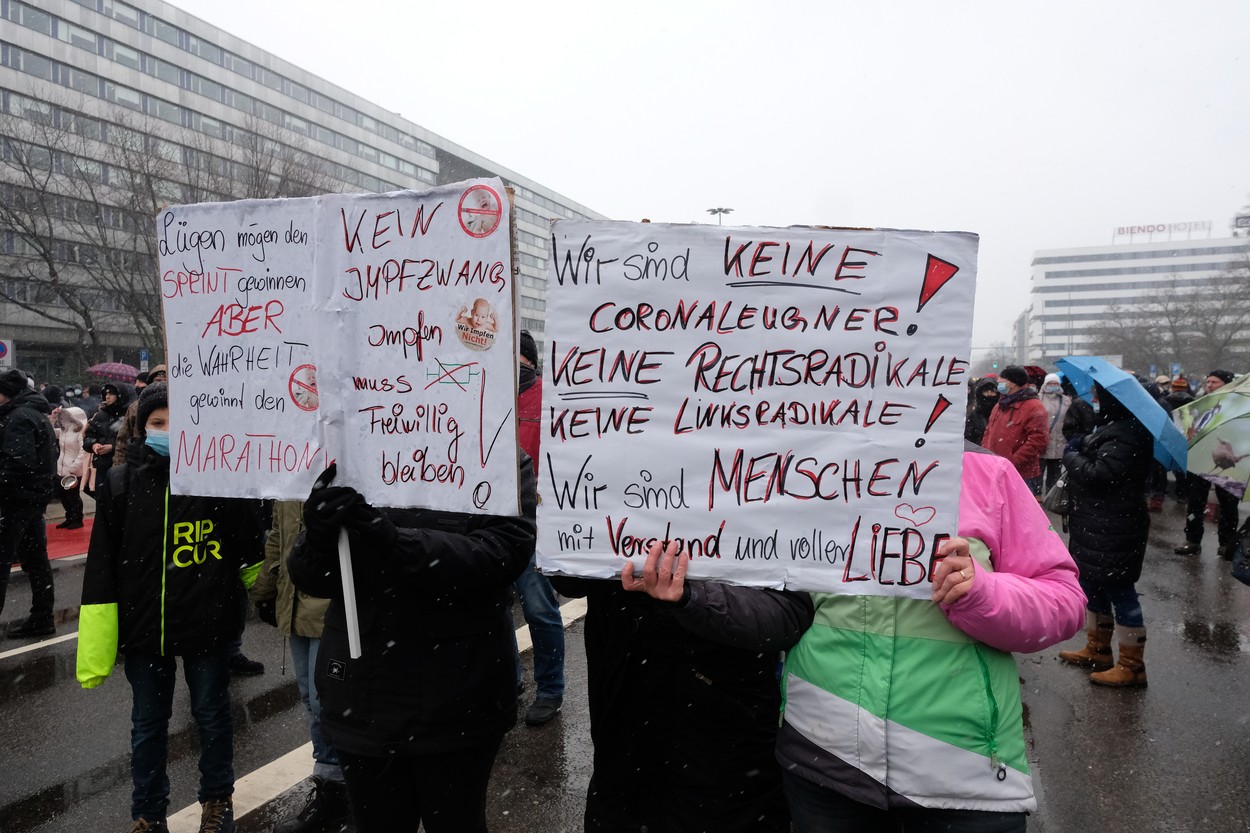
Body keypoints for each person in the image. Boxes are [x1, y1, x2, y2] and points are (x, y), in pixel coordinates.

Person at [777, 443, 1085, 831]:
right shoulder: (809, 465)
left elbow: (1065, 600)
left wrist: (983, 593)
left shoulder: (987, 473)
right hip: (822, 759)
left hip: (965, 773)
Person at [287, 455, 536, 833]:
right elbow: (313, 579)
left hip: (458, 698)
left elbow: (502, 552)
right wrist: (318, 537)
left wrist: (394, 540)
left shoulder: (493, 450)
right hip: (362, 698)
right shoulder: (351, 454)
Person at [76, 383, 266, 833]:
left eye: (175, 422)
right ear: (142, 428)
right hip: (146, 628)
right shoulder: (120, 482)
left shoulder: (218, 479)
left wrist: (262, 595)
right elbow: (102, 565)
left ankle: (217, 803)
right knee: (147, 724)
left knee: (213, 717)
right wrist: (99, 641)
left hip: (208, 622)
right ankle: (147, 813)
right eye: (157, 423)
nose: (167, 430)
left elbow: (249, 548)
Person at [551, 545, 814, 832]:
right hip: (623, 732)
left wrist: (693, 596)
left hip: (727, 739)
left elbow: (789, 615)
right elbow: (566, 577)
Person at [251, 501, 352, 833]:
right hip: (293, 605)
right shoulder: (287, 481)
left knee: (329, 704)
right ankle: (331, 792)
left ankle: (349, 794)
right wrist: (266, 588)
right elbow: (279, 537)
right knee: (311, 700)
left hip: (331, 608)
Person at [1058, 382, 1154, 686]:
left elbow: (1100, 474)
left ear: (1114, 400)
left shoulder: (1129, 433)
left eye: (1100, 395)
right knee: (1092, 584)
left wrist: (1072, 454)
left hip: (1116, 525)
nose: (1095, 400)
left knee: (1120, 591)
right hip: (1097, 521)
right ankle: (1098, 650)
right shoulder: (1113, 427)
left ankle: (1132, 666)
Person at [512, 330, 566, 726]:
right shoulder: (485, 391)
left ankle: (550, 689)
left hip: (534, 522)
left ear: (529, 360)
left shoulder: (550, 399)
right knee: (495, 608)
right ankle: (509, 679)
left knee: (539, 609)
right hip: (489, 521)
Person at [0, 368, 59, 638]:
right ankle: (43, 616)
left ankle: (42, 617)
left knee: (7, 560)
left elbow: (17, 465)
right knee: (36, 560)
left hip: (15, 500)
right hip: (32, 498)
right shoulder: (34, 414)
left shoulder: (18, 418)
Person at [1175, 369, 1240, 557]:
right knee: (1195, 502)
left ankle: (1227, 543)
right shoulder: (1201, 404)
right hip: (1200, 459)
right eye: (1208, 382)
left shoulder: (1236, 406)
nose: (1209, 385)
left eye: (1214, 382)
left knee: (1228, 505)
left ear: (1227, 384)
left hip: (1225, 463)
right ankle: (1192, 540)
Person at [981, 365, 1049, 495]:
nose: (998, 381)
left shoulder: (1034, 407)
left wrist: (1011, 461)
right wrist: (986, 455)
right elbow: (988, 431)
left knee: (1018, 507)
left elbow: (1039, 441)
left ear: (1013, 383)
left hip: (1021, 474)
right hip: (995, 469)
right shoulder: (1000, 404)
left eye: (1002, 378)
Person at [83, 382, 132, 496]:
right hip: (102, 466)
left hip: (122, 466)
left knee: (120, 498)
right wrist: (93, 445)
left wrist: (113, 447)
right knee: (102, 498)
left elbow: (133, 439)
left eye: (112, 394)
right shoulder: (100, 415)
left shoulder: (128, 414)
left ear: (120, 395)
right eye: (106, 394)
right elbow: (88, 437)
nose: (107, 397)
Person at [50, 394, 89, 530]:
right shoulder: (64, 430)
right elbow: (49, 432)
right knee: (63, 495)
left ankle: (77, 519)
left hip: (73, 470)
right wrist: (53, 417)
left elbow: (83, 451)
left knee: (73, 496)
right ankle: (69, 517)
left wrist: (74, 467)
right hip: (61, 467)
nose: (63, 419)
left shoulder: (80, 432)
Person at [1038, 372, 1070, 494]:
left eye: (1055, 383)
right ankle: (1037, 497)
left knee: (1055, 476)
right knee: (1038, 474)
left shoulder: (1065, 400)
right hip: (1042, 442)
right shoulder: (1038, 399)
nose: (1053, 386)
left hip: (1059, 442)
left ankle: (1051, 497)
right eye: (1050, 383)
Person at [963, 377, 999, 447]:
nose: (989, 394)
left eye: (992, 392)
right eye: (986, 391)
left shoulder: (1002, 413)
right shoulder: (973, 415)